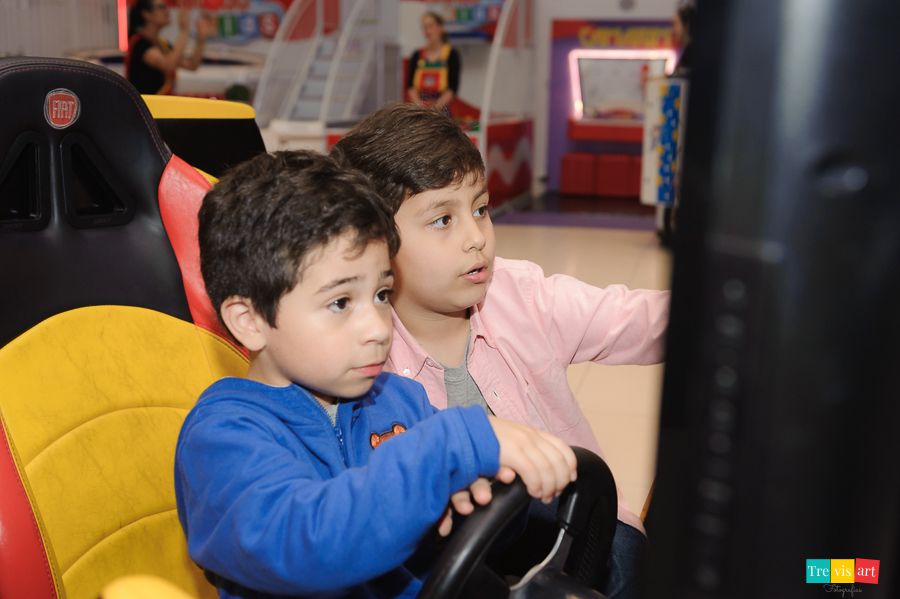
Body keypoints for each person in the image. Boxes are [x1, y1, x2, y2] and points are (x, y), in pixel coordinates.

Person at [174, 149, 578, 599]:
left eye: (382, 294)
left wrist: (488, 489)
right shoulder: (223, 438)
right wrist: (449, 448)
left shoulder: (399, 400)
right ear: (249, 320)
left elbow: (482, 541)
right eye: (341, 302)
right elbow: (312, 545)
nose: (376, 328)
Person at [332, 103, 670, 599]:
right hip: (459, 562)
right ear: (376, 244)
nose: (477, 238)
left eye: (481, 209)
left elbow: (636, 320)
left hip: (581, 532)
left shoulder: (520, 295)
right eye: (443, 219)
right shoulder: (361, 362)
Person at [125, 0, 214, 95]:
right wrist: (184, 31)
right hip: (144, 107)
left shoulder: (163, 44)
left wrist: (201, 38)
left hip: (159, 105)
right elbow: (169, 65)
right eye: (161, 7)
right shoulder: (139, 42)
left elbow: (192, 65)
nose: (167, 11)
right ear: (146, 14)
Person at [406, 12, 460, 114]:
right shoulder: (417, 55)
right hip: (420, 109)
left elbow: (452, 88)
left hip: (441, 109)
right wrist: (420, 107)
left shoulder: (451, 54)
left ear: (441, 28)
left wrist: (435, 108)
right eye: (424, 27)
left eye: (431, 26)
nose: (428, 31)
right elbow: (411, 87)